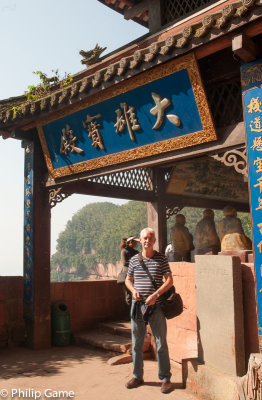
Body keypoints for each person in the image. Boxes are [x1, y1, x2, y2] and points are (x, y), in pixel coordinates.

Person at [125, 227, 173, 394]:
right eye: (145, 238)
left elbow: (169, 281)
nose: (147, 241)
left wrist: (156, 294)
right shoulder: (134, 260)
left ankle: (165, 378)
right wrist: (133, 291)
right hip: (138, 306)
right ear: (140, 239)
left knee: (161, 343)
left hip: (156, 306)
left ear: (154, 241)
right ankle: (137, 376)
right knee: (137, 343)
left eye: (150, 238)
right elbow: (128, 280)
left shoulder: (161, 259)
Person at [119, 236, 139, 306]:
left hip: (136, 275)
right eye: (135, 242)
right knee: (129, 295)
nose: (136, 244)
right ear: (131, 242)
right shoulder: (124, 251)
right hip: (127, 274)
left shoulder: (136, 252)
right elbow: (124, 263)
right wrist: (133, 262)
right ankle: (130, 312)